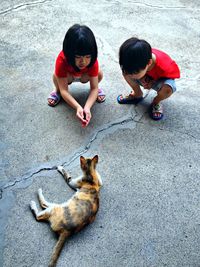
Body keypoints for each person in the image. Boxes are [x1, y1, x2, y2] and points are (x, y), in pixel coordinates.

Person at [48, 24, 106, 127]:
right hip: (68, 76)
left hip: (84, 76)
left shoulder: (92, 62)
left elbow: (93, 88)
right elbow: (64, 90)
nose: (83, 61)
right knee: (56, 77)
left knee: (99, 74)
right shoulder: (62, 60)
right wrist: (78, 107)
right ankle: (56, 91)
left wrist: (87, 108)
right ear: (69, 53)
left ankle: (97, 90)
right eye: (78, 57)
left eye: (87, 56)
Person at [117, 37, 180, 120]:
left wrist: (151, 81)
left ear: (149, 63)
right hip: (145, 75)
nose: (131, 75)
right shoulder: (137, 58)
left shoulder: (164, 66)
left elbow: (174, 76)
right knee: (126, 73)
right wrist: (140, 75)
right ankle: (137, 94)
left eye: (135, 72)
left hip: (159, 79)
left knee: (169, 88)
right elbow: (131, 71)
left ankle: (156, 102)